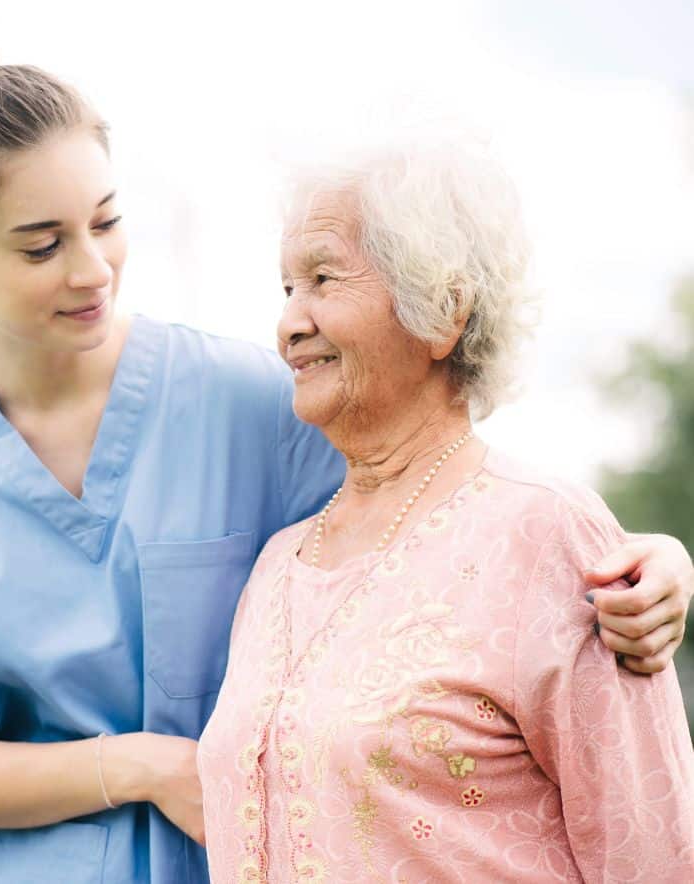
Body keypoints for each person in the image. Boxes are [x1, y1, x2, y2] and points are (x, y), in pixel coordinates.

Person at [0, 20, 694, 883]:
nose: (92, 269)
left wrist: (650, 559)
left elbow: (455, 518)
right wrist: (146, 767)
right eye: (42, 245)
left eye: (106, 222)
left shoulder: (254, 405)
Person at [197, 139, 694, 882]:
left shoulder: (553, 535)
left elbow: (652, 855)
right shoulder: (278, 564)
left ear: (443, 309)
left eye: (323, 279)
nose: (289, 324)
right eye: (286, 288)